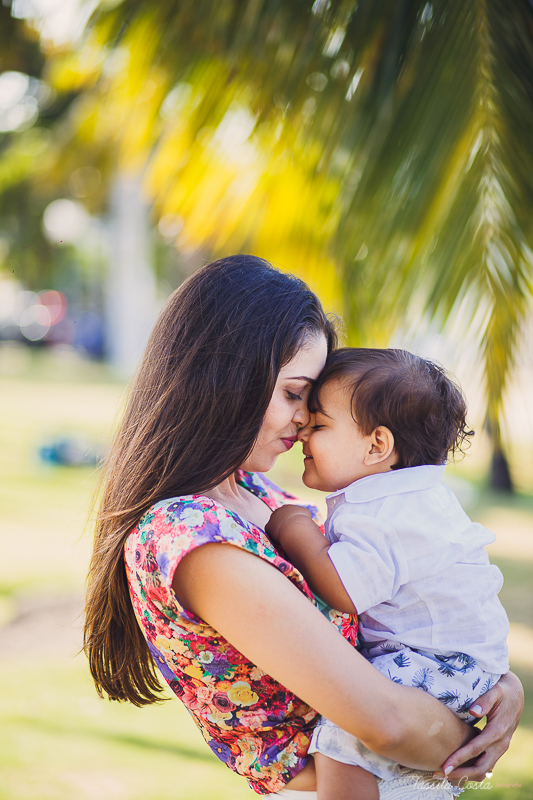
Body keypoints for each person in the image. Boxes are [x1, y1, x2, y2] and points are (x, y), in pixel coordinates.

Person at [84, 256, 523, 798]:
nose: (304, 422)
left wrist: (494, 686)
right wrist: (477, 734)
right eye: (295, 395)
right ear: (226, 378)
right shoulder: (192, 538)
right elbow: (384, 722)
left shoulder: (257, 494)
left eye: (313, 405)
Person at [265, 347, 511, 800]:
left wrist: (295, 526)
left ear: (377, 445)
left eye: (318, 425)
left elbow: (344, 589)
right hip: (452, 662)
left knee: (348, 728)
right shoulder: (400, 498)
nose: (302, 433)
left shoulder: (388, 512)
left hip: (437, 664)